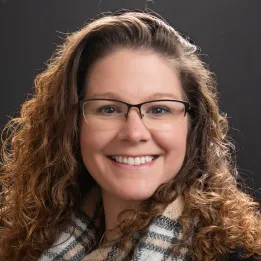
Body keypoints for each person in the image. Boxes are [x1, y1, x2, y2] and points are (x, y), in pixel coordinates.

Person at [0, 9, 260, 261]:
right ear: (71, 124)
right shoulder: (24, 252)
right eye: (109, 109)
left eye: (159, 109)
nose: (134, 133)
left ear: (194, 126)